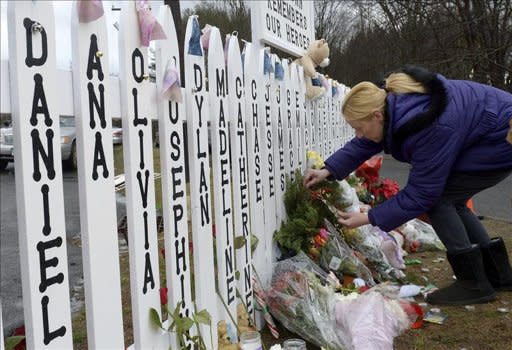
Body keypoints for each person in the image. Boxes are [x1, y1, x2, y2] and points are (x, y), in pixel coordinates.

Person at [304, 65, 512, 305]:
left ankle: (474, 284)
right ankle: (498, 275)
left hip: (501, 137)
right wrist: (328, 170)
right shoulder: (393, 107)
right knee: (452, 198)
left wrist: (369, 217)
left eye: (358, 128)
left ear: (377, 115)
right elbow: (366, 142)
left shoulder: (426, 124)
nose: (358, 135)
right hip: (492, 128)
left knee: (439, 200)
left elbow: (421, 194)